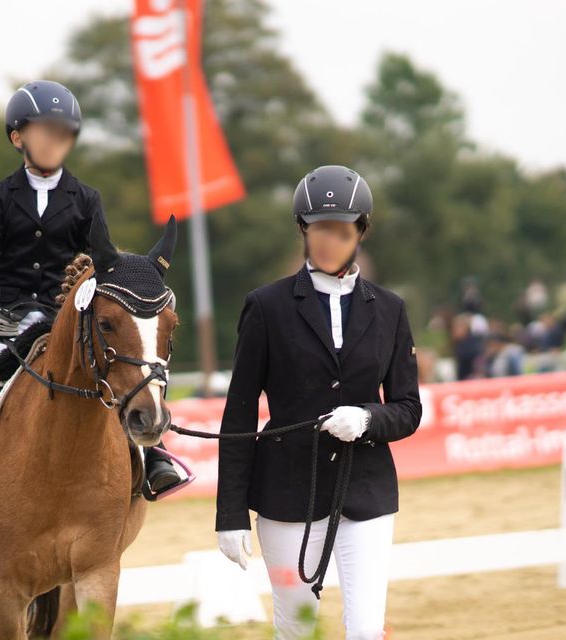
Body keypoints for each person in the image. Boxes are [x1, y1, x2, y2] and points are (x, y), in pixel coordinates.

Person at [0, 81, 181, 515]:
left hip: (66, 318)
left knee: (122, 369)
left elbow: (104, 261)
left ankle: (153, 456)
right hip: (7, 320)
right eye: (44, 131)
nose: (54, 140)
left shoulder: (85, 199)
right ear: (18, 137)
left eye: (63, 133)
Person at [215, 165, 423, 639]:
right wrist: (230, 513)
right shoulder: (266, 307)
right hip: (287, 495)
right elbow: (240, 410)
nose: (329, 241)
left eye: (341, 231)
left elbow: (409, 408)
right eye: (318, 230)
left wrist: (368, 418)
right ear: (303, 231)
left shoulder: (390, 310)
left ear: (360, 232)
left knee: (365, 630)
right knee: (297, 629)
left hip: (366, 493)